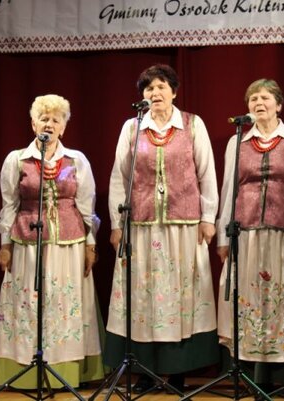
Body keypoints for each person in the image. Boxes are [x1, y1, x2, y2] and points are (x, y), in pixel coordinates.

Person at [105, 64, 219, 393]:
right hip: (142, 226)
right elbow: (119, 177)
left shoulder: (193, 125)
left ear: (174, 92)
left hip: (183, 227)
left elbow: (206, 172)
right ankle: (145, 369)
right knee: (144, 296)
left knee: (180, 295)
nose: (155, 93)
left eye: (161, 87)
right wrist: (117, 223)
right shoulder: (132, 127)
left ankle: (178, 369)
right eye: (149, 89)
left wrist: (208, 217)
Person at [0, 94, 105, 388]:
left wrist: (90, 245)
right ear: (33, 124)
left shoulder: (77, 160)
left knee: (64, 303)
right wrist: (5, 245)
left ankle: (66, 371)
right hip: (28, 244)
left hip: (69, 245)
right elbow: (9, 205)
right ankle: (26, 372)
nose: (49, 124)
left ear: (64, 127)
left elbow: (87, 206)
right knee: (29, 303)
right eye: (44, 118)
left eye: (56, 120)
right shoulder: (17, 159)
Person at [216, 78, 284, 391]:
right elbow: (229, 189)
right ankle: (251, 374)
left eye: (265, 98)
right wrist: (223, 236)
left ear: (279, 105)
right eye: (253, 99)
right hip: (247, 236)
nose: (258, 103)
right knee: (251, 300)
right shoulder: (238, 142)